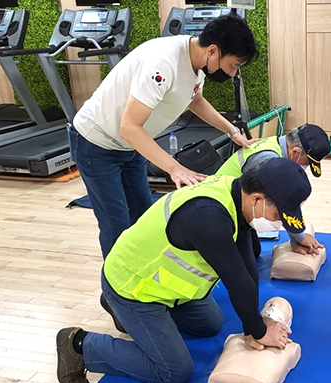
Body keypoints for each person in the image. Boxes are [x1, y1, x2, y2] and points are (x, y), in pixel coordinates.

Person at [56, 158, 311, 383]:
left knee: (210, 324)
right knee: (174, 371)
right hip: (133, 286)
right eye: (278, 215)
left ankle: (120, 311)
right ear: (257, 199)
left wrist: (253, 325)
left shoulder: (235, 195)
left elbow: (247, 270)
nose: (277, 222)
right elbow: (236, 281)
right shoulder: (208, 216)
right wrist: (258, 330)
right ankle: (80, 346)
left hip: (164, 290)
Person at [68, 15, 258, 260]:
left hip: (130, 146)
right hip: (96, 143)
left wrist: (232, 131)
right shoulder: (163, 62)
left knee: (143, 216)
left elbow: (195, 100)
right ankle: (114, 293)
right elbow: (130, 127)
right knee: (115, 223)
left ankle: (140, 276)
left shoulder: (196, 61)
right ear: (213, 51)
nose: (232, 74)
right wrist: (174, 168)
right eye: (233, 66)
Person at [217, 123, 331, 256]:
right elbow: (282, 202)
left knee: (254, 251)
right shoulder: (268, 159)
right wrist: (299, 238)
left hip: (241, 202)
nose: (304, 168)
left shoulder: (277, 143)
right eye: (306, 163)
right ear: (296, 152)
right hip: (223, 210)